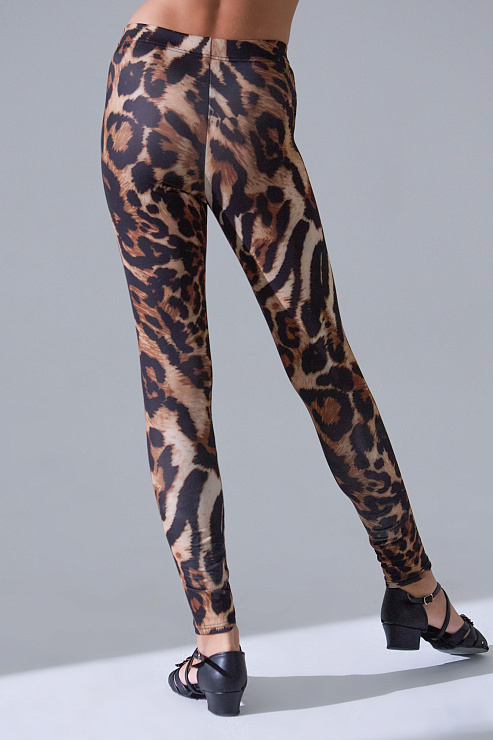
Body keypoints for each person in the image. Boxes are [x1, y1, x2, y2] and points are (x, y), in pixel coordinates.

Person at [100, 0, 488, 717]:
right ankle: (416, 590)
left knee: (172, 377)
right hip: (252, 89)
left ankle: (217, 648)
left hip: (143, 89)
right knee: (324, 362)